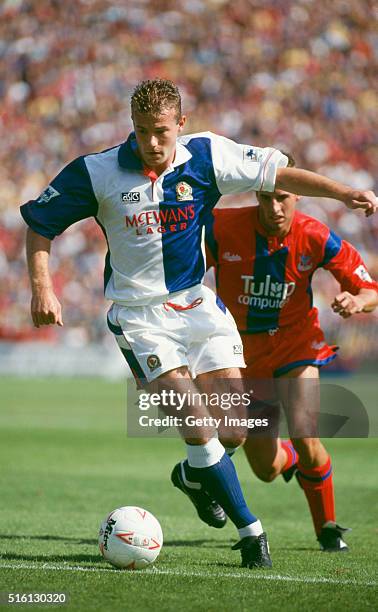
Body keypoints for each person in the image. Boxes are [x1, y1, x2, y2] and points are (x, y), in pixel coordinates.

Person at [20, 79, 377, 568]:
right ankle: (252, 532)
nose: (151, 142)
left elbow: (280, 172)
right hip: (140, 318)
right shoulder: (96, 171)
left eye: (161, 131)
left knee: (233, 431)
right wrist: (42, 287)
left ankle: (192, 477)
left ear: (180, 125)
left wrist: (344, 193)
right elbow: (40, 222)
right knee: (197, 425)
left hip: (198, 310)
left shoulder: (208, 155)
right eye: (142, 131)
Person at [205, 153, 378, 552]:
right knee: (266, 469)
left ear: (298, 195)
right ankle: (295, 461)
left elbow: (369, 289)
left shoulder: (315, 235)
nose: (274, 207)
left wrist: (357, 302)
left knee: (305, 434)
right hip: (243, 358)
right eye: (266, 198)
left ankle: (327, 528)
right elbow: (182, 268)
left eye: (283, 197)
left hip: (297, 346)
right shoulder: (222, 227)